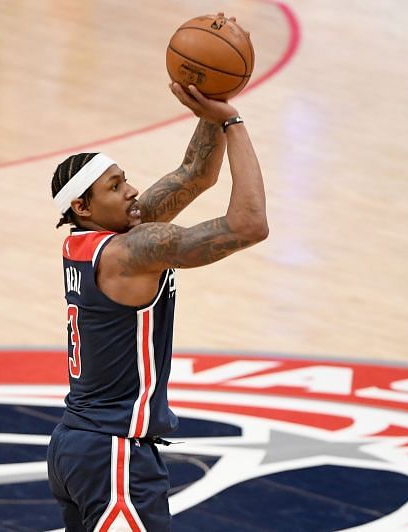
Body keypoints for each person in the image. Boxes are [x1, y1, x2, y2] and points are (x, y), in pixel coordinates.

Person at [46, 74, 268, 531]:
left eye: (125, 179)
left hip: (76, 446)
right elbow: (249, 225)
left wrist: (212, 104)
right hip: (113, 455)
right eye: (115, 186)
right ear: (84, 207)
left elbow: (195, 174)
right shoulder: (131, 252)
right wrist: (235, 122)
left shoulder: (89, 243)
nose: (131, 191)